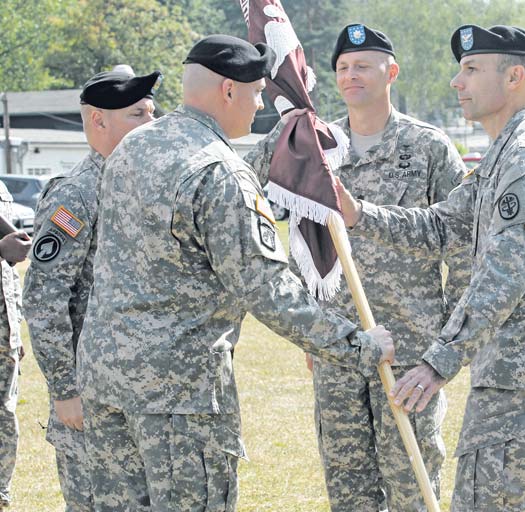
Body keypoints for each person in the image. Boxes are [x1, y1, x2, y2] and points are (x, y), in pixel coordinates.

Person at [75, 34, 394, 512]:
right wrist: (360, 345)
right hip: (179, 397)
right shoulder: (217, 171)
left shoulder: (131, 147)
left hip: (106, 383)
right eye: (257, 92)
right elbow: (268, 290)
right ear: (228, 91)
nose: (261, 102)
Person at [338, 24, 525, 511]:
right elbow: (439, 227)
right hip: (512, 376)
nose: (458, 82)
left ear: (515, 76)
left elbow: (503, 275)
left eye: (472, 69)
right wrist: (357, 214)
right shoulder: (503, 157)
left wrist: (438, 361)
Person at [247, 23, 467, 511]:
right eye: (343, 68)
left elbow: (463, 244)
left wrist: (447, 342)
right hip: (339, 344)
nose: (351, 76)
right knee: (347, 481)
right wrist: (312, 331)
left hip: (410, 347)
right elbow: (290, 227)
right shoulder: (316, 148)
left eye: (363, 66)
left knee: (412, 477)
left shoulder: (428, 148)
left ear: (391, 72)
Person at [22, 66, 160, 511]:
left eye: (152, 111)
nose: (151, 123)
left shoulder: (141, 186)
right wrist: (65, 391)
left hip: (141, 394)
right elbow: (44, 300)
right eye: (138, 113)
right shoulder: (76, 196)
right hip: (91, 400)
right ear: (99, 121)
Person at [0, 188, 32, 509]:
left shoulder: (2, 190)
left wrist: (15, 327)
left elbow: (9, 276)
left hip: (4, 330)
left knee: (5, 413)